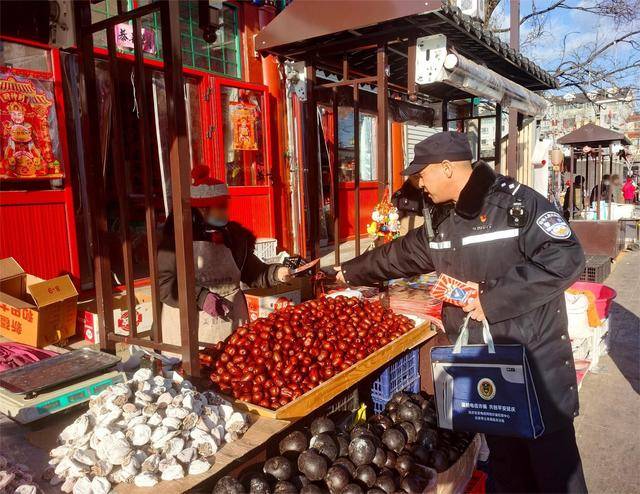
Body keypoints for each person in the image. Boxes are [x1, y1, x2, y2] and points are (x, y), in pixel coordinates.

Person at [337, 131, 587, 493]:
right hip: (485, 369)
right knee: (506, 472)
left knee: (556, 476)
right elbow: (398, 255)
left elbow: (566, 257)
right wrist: (346, 272)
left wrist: (491, 298)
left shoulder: (515, 205)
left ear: (446, 168)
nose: (419, 183)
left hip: (535, 370)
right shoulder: (442, 221)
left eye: (421, 174)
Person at [158, 165, 291, 346]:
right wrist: (200, 297)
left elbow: (252, 271)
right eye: (220, 207)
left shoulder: (233, 237)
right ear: (202, 210)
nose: (225, 212)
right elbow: (165, 284)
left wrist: (276, 273)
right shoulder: (175, 239)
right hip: (190, 327)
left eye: (225, 206)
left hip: (230, 324)